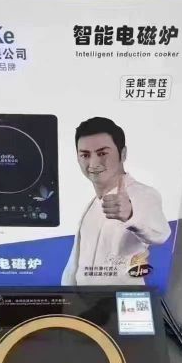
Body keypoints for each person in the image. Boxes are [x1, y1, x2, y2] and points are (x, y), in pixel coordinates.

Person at [62, 117, 171, 285]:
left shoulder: (142, 194)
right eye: (85, 155)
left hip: (122, 297)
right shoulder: (91, 205)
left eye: (102, 153)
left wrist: (131, 215)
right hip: (83, 299)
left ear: (123, 153)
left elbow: (161, 234)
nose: (93, 163)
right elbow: (74, 266)